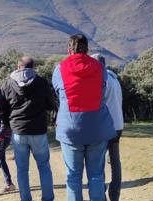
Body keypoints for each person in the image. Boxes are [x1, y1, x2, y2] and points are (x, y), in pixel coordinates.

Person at [52, 34, 116, 201]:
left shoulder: (60, 69)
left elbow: (58, 93)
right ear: (88, 49)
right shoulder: (100, 68)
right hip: (97, 127)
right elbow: (102, 89)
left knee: (73, 176)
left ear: (69, 49)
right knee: (96, 176)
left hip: (71, 128)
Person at [0, 56, 55, 201]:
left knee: (22, 170)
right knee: (44, 167)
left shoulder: (7, 83)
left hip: (18, 132)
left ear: (18, 67)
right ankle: (47, 198)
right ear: (33, 67)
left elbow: (2, 109)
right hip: (38, 131)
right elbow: (51, 105)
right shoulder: (42, 82)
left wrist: (7, 124)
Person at [91, 53, 124, 201]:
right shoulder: (115, 79)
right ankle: (114, 195)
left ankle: (101, 195)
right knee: (115, 161)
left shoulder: (100, 79)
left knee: (99, 162)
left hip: (105, 125)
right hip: (118, 125)